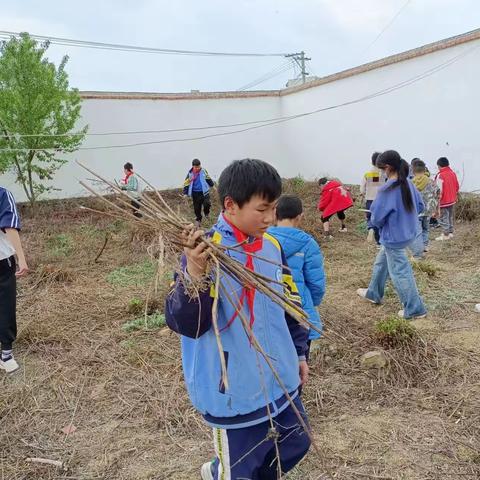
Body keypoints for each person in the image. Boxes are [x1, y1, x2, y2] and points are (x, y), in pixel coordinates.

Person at [166, 159, 311, 480]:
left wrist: (299, 352)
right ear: (230, 205)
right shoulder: (204, 252)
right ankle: (221, 473)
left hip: (281, 376)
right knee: (240, 471)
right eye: (262, 209)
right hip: (233, 388)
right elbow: (187, 324)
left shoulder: (272, 246)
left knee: (296, 442)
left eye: (274, 208)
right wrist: (194, 274)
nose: (271, 218)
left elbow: (290, 302)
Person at [356, 150, 427, 320]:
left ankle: (415, 308)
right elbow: (421, 206)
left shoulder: (387, 189)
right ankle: (374, 292)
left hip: (393, 237)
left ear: (387, 167)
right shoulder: (408, 183)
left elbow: (377, 217)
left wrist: (376, 225)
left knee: (400, 272)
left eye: (381, 168)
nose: (381, 172)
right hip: (407, 232)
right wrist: (405, 218)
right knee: (381, 263)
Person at [269, 194, 326, 361]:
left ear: (275, 214)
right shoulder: (308, 244)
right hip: (299, 312)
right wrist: (311, 303)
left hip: (270, 308)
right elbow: (316, 284)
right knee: (299, 362)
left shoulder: (263, 239)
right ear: (300, 216)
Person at [0, 186, 28, 373]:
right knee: (5, 303)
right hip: (2, 260)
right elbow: (9, 225)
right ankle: (6, 354)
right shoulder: (3, 194)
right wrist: (22, 258)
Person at [411, 160, 440, 252]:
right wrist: (436, 209)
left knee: (417, 229)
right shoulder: (431, 182)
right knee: (426, 229)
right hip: (428, 210)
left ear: (413, 171)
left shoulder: (411, 183)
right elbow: (438, 194)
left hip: (415, 211)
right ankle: (425, 245)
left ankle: (418, 246)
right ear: (424, 170)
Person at [360, 152, 386, 244]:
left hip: (370, 199)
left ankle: (371, 228)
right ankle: (379, 243)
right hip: (381, 200)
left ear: (372, 161)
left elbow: (362, 189)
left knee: (370, 217)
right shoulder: (384, 174)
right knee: (380, 219)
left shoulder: (367, 174)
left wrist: (363, 194)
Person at [434, 157, 460, 241]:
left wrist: (436, 202)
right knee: (449, 217)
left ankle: (445, 234)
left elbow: (438, 190)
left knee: (443, 218)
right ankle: (450, 232)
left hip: (443, 201)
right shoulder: (453, 173)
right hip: (452, 200)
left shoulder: (440, 175)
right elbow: (457, 186)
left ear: (439, 165)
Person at [183, 159, 215, 226]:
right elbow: (186, 183)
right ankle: (198, 219)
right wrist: (185, 193)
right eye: (196, 167)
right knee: (197, 208)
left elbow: (208, 178)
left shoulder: (203, 171)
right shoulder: (190, 174)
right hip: (195, 193)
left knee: (207, 203)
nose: (198, 168)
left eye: (199, 166)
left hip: (204, 192)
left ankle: (206, 213)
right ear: (193, 166)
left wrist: (213, 186)